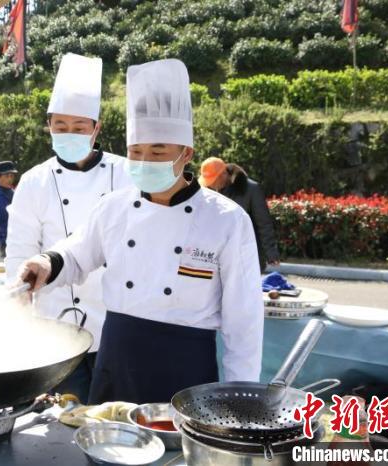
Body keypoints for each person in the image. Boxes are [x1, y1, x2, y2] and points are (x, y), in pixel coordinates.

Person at [17, 59, 263, 405]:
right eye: (136, 152)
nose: (145, 160)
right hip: (118, 358)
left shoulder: (226, 219)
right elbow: (76, 254)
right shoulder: (114, 207)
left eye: (158, 151)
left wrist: (241, 397)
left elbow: (244, 321)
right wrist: (46, 263)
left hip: (184, 365)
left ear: (186, 153)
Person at [5, 54, 131, 404]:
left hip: (115, 323)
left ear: (96, 128)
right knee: (67, 419)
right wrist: (16, 298)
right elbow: (19, 251)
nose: (69, 134)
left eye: (79, 127)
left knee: (112, 415)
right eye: (60, 126)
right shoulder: (34, 182)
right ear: (48, 126)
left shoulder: (125, 174)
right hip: (56, 323)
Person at [199, 157, 280, 273]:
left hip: (247, 255)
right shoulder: (209, 192)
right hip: (219, 258)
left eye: (213, 180)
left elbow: (264, 223)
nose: (211, 185)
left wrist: (271, 253)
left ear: (223, 174)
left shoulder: (251, 189)